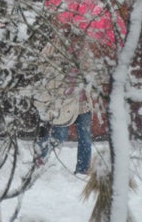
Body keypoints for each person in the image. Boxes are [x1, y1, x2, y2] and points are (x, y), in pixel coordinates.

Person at [33, 38, 98, 175]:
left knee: (85, 138)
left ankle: (82, 170)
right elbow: (40, 66)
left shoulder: (84, 48)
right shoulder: (54, 45)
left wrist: (85, 69)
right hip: (63, 101)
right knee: (59, 136)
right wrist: (57, 67)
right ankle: (40, 155)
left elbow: (91, 72)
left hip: (82, 102)